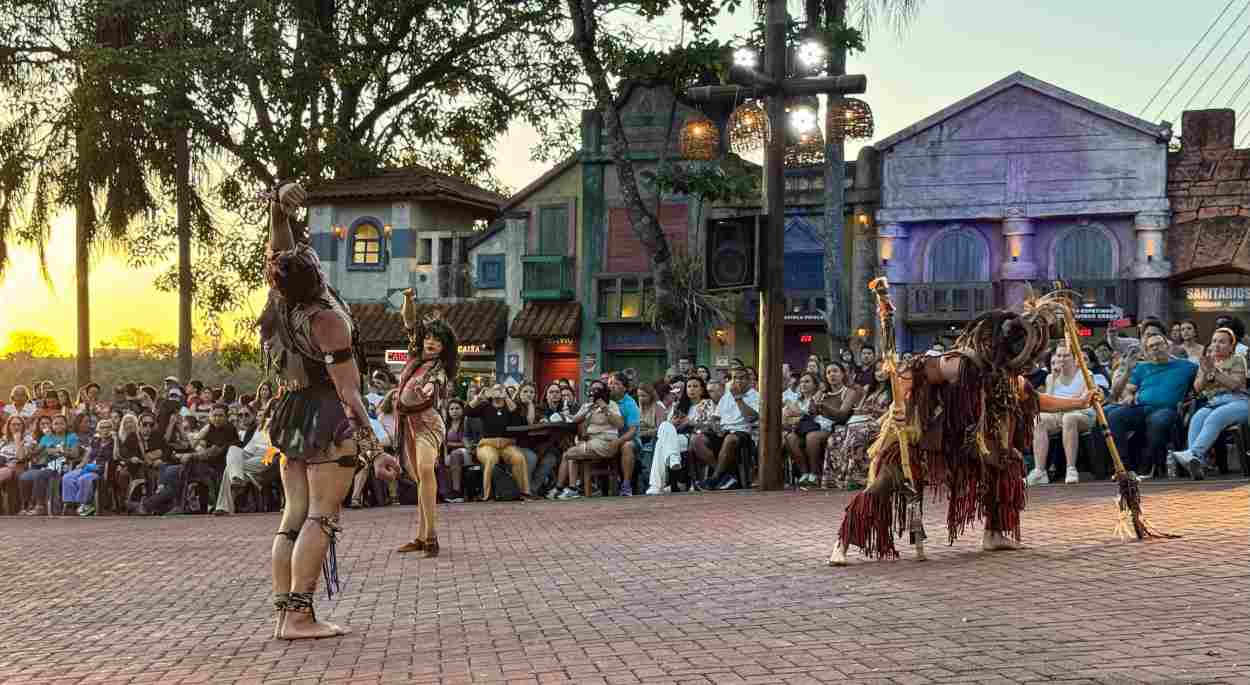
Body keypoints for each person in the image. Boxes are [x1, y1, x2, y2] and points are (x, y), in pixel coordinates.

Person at [830, 295, 1096, 566]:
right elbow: (911, 373)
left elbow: (1033, 399)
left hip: (968, 444)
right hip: (927, 438)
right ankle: (843, 541)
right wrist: (900, 406)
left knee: (1007, 463)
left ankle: (994, 533)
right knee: (885, 483)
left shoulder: (1006, 376)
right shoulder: (959, 363)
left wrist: (1080, 402)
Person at [257, 181, 381, 640]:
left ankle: (284, 613)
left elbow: (279, 249)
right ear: (316, 276)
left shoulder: (280, 299)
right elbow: (349, 391)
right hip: (325, 414)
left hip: (291, 410)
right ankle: (298, 616)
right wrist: (372, 442)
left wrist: (278, 210)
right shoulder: (325, 319)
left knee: (294, 515)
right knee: (321, 516)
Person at [392, 297, 457, 555]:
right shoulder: (414, 356)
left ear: (444, 347)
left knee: (426, 469)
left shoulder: (439, 368)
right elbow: (409, 321)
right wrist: (408, 299)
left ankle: (431, 537)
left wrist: (429, 388)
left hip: (428, 423)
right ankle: (420, 537)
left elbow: (435, 382)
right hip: (407, 424)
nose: (431, 342)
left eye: (437, 341)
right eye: (429, 337)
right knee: (420, 478)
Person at [1105, 333, 1198, 477]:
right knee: (1115, 416)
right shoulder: (1142, 367)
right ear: (1147, 352)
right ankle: (1123, 466)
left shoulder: (1186, 366)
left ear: (1168, 346)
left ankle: (1148, 465)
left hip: (1168, 409)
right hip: (1143, 407)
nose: (1155, 348)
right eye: (1151, 346)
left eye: (1158, 344)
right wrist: (1129, 396)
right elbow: (1128, 389)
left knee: (1157, 421)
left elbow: (1200, 384)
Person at [1170, 327, 1249, 479]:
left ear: (1231, 346)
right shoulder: (1206, 361)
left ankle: (1194, 454)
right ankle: (1196, 463)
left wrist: (1214, 372)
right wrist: (1205, 373)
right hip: (1214, 402)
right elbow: (1197, 388)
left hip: (1239, 401)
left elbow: (1235, 385)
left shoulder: (1238, 359)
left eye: (1222, 342)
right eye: (1214, 341)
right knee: (1197, 417)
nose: (1216, 345)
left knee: (1216, 416)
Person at [1027, 343, 1097, 486]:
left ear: (1074, 358)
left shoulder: (1086, 374)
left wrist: (1063, 405)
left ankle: (1071, 469)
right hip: (1058, 414)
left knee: (1069, 418)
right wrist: (1054, 378)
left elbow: (1083, 401)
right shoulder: (1050, 377)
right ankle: (1039, 471)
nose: (1061, 359)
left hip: (1082, 413)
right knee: (1038, 419)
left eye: (1066, 355)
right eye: (1059, 355)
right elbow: (1049, 403)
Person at [824, 361, 892, 490]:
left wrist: (875, 411)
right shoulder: (869, 390)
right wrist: (860, 410)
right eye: (877, 370)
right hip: (861, 422)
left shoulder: (894, 390)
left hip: (881, 423)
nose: (880, 373)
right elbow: (859, 408)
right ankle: (835, 478)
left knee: (856, 435)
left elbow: (892, 411)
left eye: (883, 369)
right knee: (834, 438)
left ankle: (856, 477)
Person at [551, 380, 623, 499]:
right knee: (569, 454)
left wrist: (604, 408)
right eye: (592, 389)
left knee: (570, 454)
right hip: (590, 441)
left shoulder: (611, 405)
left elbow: (619, 424)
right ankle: (566, 488)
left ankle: (570, 489)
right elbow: (574, 420)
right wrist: (587, 410)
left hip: (606, 442)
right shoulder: (587, 405)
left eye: (598, 389)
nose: (594, 392)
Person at [646, 376, 715, 495]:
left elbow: (709, 424)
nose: (692, 389)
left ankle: (656, 485)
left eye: (695, 386)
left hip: (695, 437)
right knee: (664, 428)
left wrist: (689, 422)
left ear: (702, 389)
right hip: (677, 438)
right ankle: (673, 459)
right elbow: (669, 428)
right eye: (689, 386)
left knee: (661, 444)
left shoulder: (707, 403)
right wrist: (674, 424)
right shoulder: (679, 406)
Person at [693, 367, 760, 491]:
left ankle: (715, 478)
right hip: (723, 431)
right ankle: (725, 477)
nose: (737, 381)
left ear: (749, 380)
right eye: (734, 378)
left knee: (730, 438)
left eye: (741, 378)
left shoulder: (755, 396)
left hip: (743, 432)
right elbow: (715, 418)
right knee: (697, 440)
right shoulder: (727, 396)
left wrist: (738, 398)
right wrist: (717, 428)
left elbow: (751, 417)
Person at [463, 383, 532, 502]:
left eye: (500, 389)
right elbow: (467, 412)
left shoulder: (510, 406)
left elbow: (520, 421)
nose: (497, 392)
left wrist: (507, 398)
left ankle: (524, 492)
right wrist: (478, 398)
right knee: (491, 459)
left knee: (519, 458)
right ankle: (487, 495)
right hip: (487, 444)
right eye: (494, 389)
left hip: (507, 444)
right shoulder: (485, 406)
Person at [19, 414, 78, 515]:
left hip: (64, 467)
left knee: (41, 474)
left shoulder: (71, 437)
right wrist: (28, 447)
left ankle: (40, 506)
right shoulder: (46, 437)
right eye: (56, 424)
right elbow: (34, 453)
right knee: (24, 476)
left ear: (66, 425)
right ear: (52, 426)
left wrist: (59, 450)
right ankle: (26, 506)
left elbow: (75, 454)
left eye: (61, 423)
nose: (58, 426)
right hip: (48, 467)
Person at [63, 418, 116, 517]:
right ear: (98, 430)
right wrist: (80, 465)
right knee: (68, 477)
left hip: (101, 469)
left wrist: (116, 439)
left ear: (111, 429)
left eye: (108, 427)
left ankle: (85, 504)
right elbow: (87, 456)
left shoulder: (114, 442)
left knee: (84, 479)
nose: (105, 429)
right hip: (88, 467)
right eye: (102, 427)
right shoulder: (95, 441)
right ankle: (71, 504)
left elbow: (116, 455)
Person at [0, 416, 31, 514]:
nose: (16, 427)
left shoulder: (27, 439)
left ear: (23, 426)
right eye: (13, 424)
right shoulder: (3, 440)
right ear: (9, 426)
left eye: (19, 424)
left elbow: (21, 457)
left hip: (14, 467)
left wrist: (17, 441)